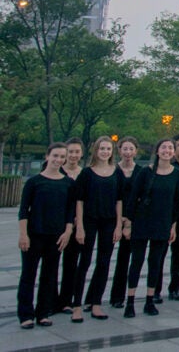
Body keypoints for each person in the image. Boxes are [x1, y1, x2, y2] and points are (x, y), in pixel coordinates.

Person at [122, 139, 179, 317]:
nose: (167, 150)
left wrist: (173, 227)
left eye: (170, 148)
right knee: (136, 262)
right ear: (157, 151)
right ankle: (130, 301)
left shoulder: (177, 175)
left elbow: (177, 204)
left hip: (162, 224)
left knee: (155, 263)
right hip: (142, 222)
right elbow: (133, 198)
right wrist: (128, 224)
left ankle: (150, 300)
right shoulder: (145, 172)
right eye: (163, 147)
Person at [18, 142, 74, 329]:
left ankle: (43, 312)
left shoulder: (67, 183)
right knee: (28, 274)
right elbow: (23, 211)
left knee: (49, 275)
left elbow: (69, 212)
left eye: (61, 157)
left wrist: (67, 232)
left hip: (56, 236)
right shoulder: (34, 182)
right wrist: (23, 235)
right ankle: (25, 313)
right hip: (35, 234)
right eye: (55, 156)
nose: (58, 160)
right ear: (47, 156)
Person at [70, 136, 122, 322]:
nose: (105, 152)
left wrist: (118, 225)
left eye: (108, 149)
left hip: (108, 221)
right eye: (102, 149)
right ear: (96, 151)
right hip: (90, 220)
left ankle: (96, 302)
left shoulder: (117, 173)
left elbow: (119, 201)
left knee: (104, 262)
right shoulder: (87, 173)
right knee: (84, 262)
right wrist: (80, 227)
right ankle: (76, 304)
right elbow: (80, 202)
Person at [161, 133, 179, 303]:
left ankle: (174, 288)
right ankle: (155, 290)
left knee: (178, 256)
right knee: (159, 255)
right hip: (167, 217)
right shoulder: (167, 167)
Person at [55, 137, 84, 315]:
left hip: (76, 224)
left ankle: (67, 300)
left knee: (71, 264)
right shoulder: (56, 171)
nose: (73, 155)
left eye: (76, 152)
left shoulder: (84, 173)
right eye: (70, 152)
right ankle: (50, 299)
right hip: (56, 223)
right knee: (51, 263)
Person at [109, 136, 139, 309]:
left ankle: (121, 296)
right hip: (112, 219)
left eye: (131, 149)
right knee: (104, 260)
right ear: (119, 150)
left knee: (126, 259)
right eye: (124, 149)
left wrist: (129, 222)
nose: (128, 152)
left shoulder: (141, 172)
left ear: (136, 151)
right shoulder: (112, 170)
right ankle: (94, 298)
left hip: (132, 221)